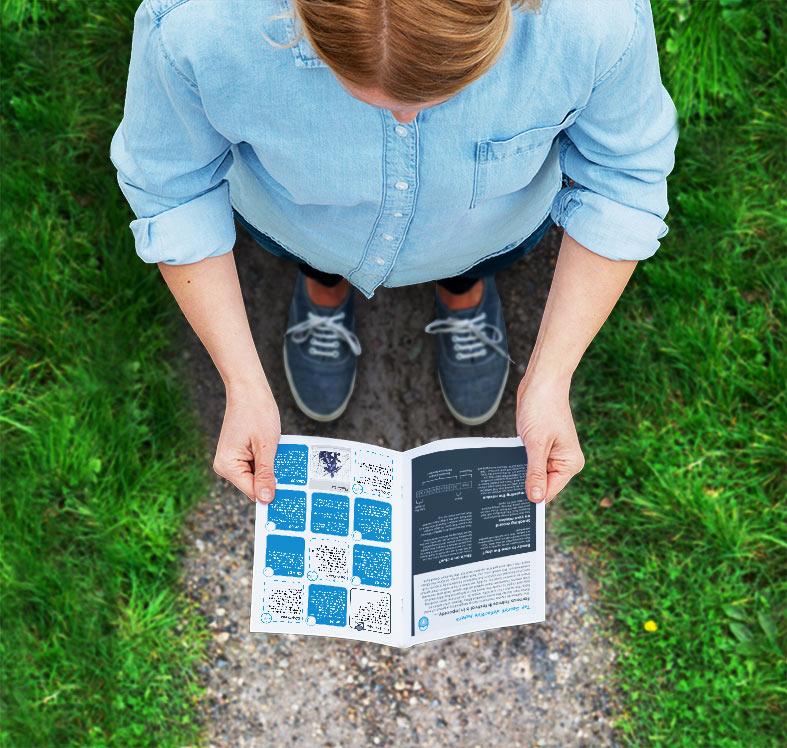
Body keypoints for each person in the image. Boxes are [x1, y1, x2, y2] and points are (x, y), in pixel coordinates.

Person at [110, 0, 677, 507]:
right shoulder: (195, 25)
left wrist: (552, 377)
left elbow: (622, 184)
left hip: (487, 228)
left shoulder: (597, 20)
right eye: (357, 91)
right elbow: (174, 192)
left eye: (441, 97)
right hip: (300, 223)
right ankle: (322, 288)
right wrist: (242, 382)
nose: (404, 121)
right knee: (312, 258)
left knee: (476, 265)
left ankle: (464, 292)